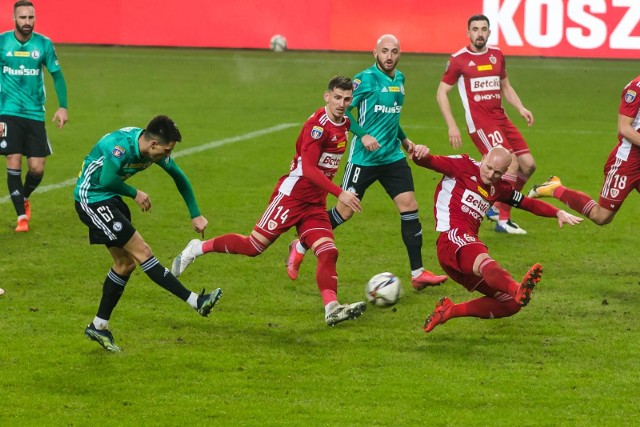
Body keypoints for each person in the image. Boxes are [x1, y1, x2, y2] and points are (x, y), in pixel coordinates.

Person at [172, 76, 367, 327]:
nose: (341, 103)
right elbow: (308, 169)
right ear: (326, 96)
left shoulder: (345, 122)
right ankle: (196, 248)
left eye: (347, 99)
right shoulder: (316, 128)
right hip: (291, 197)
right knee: (253, 246)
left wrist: (365, 135)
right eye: (337, 98)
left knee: (329, 251)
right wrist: (340, 193)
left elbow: (349, 125)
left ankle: (331, 308)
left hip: (314, 204)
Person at [286, 35, 447, 291]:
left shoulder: (401, 80)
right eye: (384, 51)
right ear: (375, 53)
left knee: (410, 207)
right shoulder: (365, 80)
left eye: (394, 51)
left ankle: (417, 273)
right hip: (364, 159)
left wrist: (405, 142)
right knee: (344, 211)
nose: (389, 56)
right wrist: (363, 135)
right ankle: (301, 244)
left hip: (392, 156)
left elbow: (392, 118)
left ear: (399, 54)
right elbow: (344, 110)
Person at [74, 115, 222, 352]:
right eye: (167, 150)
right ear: (153, 145)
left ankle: (98, 326)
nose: (168, 156)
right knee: (142, 252)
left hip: (110, 197)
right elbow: (107, 178)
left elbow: (179, 177)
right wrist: (134, 193)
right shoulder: (119, 147)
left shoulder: (151, 148)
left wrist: (195, 214)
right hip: (91, 199)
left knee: (124, 264)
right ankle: (196, 301)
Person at [408, 146, 582, 333]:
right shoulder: (462, 165)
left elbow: (527, 202)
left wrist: (557, 212)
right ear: (483, 158)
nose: (490, 174)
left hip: (464, 256)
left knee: (511, 304)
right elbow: (429, 161)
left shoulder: (500, 188)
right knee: (486, 261)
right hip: (452, 239)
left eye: (497, 172)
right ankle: (517, 289)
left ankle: (450, 310)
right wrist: (420, 154)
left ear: (505, 172)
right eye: (489, 167)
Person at [436, 14, 536, 235]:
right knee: (510, 165)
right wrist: (452, 125)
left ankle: (495, 206)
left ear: (489, 32)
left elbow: (506, 87)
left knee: (528, 165)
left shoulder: (497, 55)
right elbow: (442, 91)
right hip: (480, 123)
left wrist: (520, 108)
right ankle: (503, 219)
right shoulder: (459, 59)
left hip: (501, 117)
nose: (479, 33)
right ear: (468, 32)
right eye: (475, 29)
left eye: (483, 29)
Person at [529, 75, 640, 226]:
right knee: (601, 216)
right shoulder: (635, 88)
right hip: (628, 161)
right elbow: (624, 128)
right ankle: (555, 189)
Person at [0, 1, 69, 232]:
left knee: (37, 168)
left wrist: (62, 107)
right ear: (14, 19)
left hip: (34, 113)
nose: (27, 22)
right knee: (14, 160)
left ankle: (24, 197)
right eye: (23, 18)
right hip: (7, 112)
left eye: (31, 18)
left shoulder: (44, 44)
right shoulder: (2, 42)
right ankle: (21, 217)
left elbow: (57, 76)